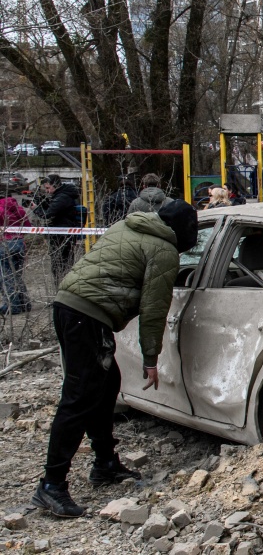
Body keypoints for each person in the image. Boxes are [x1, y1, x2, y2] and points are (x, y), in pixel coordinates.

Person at [32, 199, 197, 518]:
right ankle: (52, 485)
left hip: (68, 308)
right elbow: (154, 309)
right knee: (79, 397)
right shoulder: (163, 251)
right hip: (87, 316)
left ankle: (105, 463)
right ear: (181, 232)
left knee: (106, 385)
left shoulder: (128, 225)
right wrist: (151, 358)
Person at [33, 175, 82, 284]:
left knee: (60, 263)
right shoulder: (61, 195)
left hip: (61, 236)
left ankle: (61, 286)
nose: (47, 191)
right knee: (63, 263)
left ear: (55, 185)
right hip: (62, 235)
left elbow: (48, 215)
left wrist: (35, 208)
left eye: (48, 188)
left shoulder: (62, 197)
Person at [0, 189, 31, 314]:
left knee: (6, 276)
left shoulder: (0, 209)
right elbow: (28, 227)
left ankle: (13, 306)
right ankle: (25, 303)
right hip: (19, 243)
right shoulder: (18, 208)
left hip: (5, 244)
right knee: (16, 275)